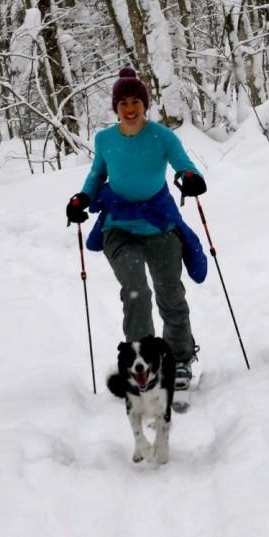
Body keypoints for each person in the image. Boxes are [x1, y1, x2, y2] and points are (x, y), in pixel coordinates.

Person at [66, 67, 207, 390]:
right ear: (115, 108)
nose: (130, 109)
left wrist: (190, 178)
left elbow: (184, 165)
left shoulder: (162, 137)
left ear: (145, 104)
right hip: (119, 228)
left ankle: (180, 358)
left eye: (135, 102)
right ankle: (142, 363)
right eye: (123, 103)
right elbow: (96, 175)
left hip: (159, 225)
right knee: (136, 292)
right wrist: (82, 198)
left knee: (170, 292)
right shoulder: (105, 140)